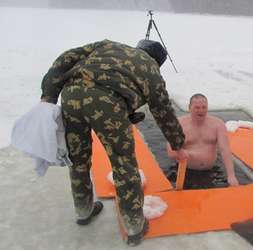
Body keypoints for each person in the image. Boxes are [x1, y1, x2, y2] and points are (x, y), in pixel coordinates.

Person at [40, 39, 187, 246]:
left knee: (78, 159)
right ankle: (134, 226)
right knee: (123, 164)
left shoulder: (109, 46)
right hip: (107, 104)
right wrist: (178, 142)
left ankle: (84, 211)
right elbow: (163, 111)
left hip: (71, 95)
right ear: (158, 61)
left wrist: (49, 94)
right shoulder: (152, 71)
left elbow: (66, 57)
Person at [166, 94, 239, 189]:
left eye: (204, 107)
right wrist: (189, 154)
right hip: (185, 171)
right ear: (189, 108)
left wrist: (231, 175)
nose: (201, 111)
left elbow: (225, 150)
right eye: (197, 107)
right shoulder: (179, 124)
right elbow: (170, 152)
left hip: (211, 172)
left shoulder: (217, 124)